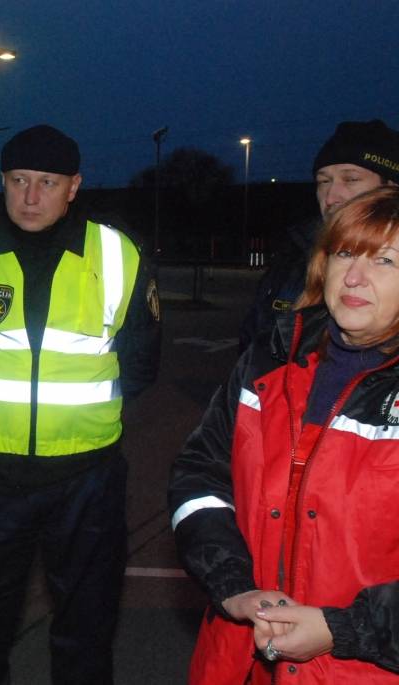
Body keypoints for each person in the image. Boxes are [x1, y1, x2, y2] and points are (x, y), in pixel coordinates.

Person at [0, 124, 161, 684]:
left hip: (86, 481)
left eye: (47, 182)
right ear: (2, 180)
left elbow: (142, 359)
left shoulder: (117, 253)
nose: (30, 197)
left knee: (86, 632)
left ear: (73, 186)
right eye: (18, 180)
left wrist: (80, 423)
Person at [171, 185, 399, 683]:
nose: (354, 276)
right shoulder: (270, 358)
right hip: (237, 659)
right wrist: (234, 587)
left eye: (384, 261)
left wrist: (342, 628)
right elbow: (200, 476)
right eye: (345, 253)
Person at [239, 119, 399, 351]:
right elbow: (252, 343)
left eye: (351, 179)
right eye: (324, 181)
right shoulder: (293, 255)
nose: (331, 196)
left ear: (391, 187)